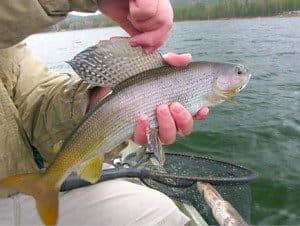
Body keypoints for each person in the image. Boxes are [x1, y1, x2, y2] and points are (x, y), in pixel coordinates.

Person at [0, 0, 209, 225]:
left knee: (167, 215)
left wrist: (102, 102)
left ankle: (46, 185)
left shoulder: (10, 49)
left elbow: (34, 103)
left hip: (18, 188)